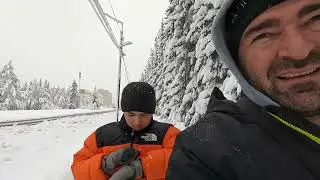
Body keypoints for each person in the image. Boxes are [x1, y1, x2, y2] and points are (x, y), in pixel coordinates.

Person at [166, 0, 320, 179]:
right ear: (238, 62)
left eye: (316, 19)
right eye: (264, 35)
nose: (299, 51)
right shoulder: (208, 152)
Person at [72, 82, 180, 180]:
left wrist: (143, 167)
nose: (137, 121)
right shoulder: (102, 136)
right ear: (123, 111)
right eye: (131, 114)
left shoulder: (167, 134)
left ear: (152, 112)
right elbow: (78, 167)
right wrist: (104, 164)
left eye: (144, 115)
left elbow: (185, 160)